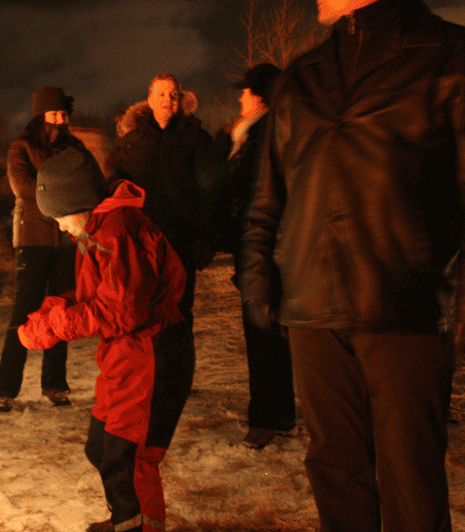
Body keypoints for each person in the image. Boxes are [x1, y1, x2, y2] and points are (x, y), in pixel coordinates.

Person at [238, 1, 465, 530]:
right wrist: (257, 279)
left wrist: (439, 281)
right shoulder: (303, 75)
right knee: (334, 470)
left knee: (410, 475)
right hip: (311, 306)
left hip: (403, 305)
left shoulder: (448, 56)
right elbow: (269, 193)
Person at [18, 147, 194, 532]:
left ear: (79, 202)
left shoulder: (117, 231)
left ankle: (139, 526)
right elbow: (93, 296)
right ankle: (126, 519)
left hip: (151, 352)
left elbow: (122, 311)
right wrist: (47, 314)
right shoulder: (99, 230)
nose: (61, 228)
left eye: (61, 217)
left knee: (129, 458)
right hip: (125, 354)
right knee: (100, 447)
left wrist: (55, 326)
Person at [209, 63, 295, 449]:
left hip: (260, 245)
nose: (239, 97)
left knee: (260, 330)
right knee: (271, 331)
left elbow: (239, 187)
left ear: (258, 95)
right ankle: (281, 415)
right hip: (263, 243)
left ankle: (264, 419)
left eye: (244, 91)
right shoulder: (258, 132)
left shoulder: (260, 134)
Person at [0, 86, 85, 412]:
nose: (60, 119)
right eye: (54, 113)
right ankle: (6, 388)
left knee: (61, 311)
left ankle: (55, 385)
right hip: (32, 239)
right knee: (24, 313)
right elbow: (24, 187)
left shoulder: (74, 147)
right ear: (40, 115)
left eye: (63, 113)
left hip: (65, 240)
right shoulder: (22, 146)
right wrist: (64, 196)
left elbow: (85, 182)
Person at [115, 73, 213, 339]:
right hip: (142, 247)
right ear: (149, 100)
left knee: (179, 317)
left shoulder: (197, 140)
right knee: (144, 318)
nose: (168, 100)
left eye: (173, 95)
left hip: (182, 246)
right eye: (161, 94)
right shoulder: (130, 143)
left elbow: (211, 192)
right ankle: (153, 380)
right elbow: (117, 193)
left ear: (180, 100)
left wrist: (207, 237)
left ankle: (179, 380)